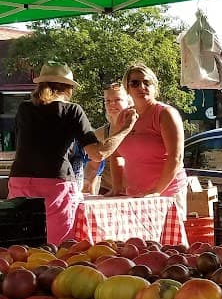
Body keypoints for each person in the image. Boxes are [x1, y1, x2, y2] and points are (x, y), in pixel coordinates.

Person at [8, 61, 137, 244]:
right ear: (68, 88)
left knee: (20, 244)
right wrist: (125, 128)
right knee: (56, 247)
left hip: (19, 180)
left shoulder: (24, 109)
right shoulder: (72, 111)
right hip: (55, 184)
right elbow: (97, 154)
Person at [113, 63, 187, 219]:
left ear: (155, 87)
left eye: (147, 82)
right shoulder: (123, 117)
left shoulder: (165, 114)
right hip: (134, 197)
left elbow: (176, 158)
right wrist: (117, 186)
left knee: (168, 243)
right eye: (135, 83)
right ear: (127, 88)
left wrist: (156, 191)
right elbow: (115, 154)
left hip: (166, 195)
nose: (141, 87)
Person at [82, 82, 134, 195]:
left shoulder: (139, 129)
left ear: (129, 102)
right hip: (108, 191)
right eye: (108, 101)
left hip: (135, 191)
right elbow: (93, 164)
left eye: (117, 100)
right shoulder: (101, 133)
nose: (111, 104)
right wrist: (87, 180)